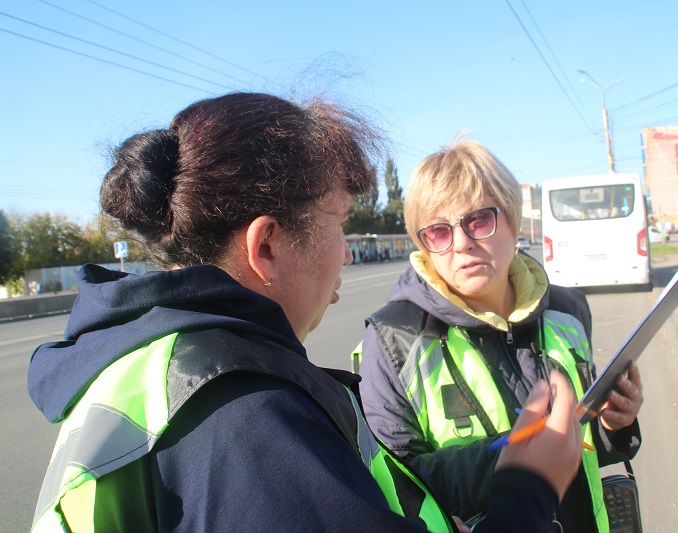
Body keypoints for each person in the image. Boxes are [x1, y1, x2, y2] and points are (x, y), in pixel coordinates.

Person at [27, 93, 585, 532]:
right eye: (338, 221)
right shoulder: (245, 415)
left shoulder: (152, 360)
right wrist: (528, 492)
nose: (347, 251)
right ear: (267, 245)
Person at [355, 137, 644, 532]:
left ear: (512, 219)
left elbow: (586, 449)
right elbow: (394, 488)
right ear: (423, 245)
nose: (461, 244)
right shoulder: (393, 339)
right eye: (439, 231)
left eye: (478, 220)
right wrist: (517, 462)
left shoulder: (567, 311)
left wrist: (613, 424)